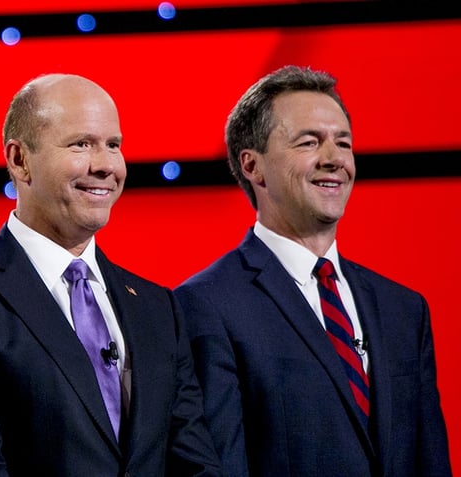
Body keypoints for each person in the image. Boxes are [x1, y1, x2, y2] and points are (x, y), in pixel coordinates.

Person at [0, 73, 221, 476]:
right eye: (81, 144)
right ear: (20, 160)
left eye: (114, 146)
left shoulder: (158, 307)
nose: (105, 165)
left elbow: (195, 463)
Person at [174, 65, 451, 476]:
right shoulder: (206, 305)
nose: (333, 159)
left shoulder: (404, 309)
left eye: (343, 143)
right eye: (309, 142)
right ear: (253, 166)